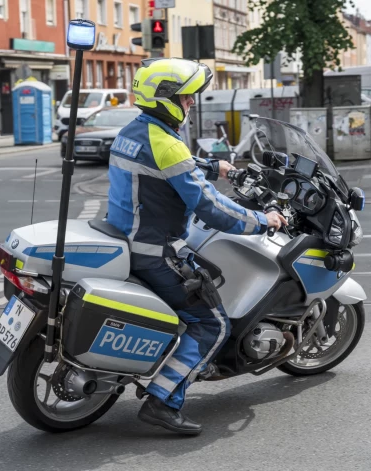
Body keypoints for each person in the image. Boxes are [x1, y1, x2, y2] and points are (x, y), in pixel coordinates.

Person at [106, 58, 286, 436]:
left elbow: (166, 165)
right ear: (167, 99)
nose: (190, 104)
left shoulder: (135, 130)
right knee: (211, 324)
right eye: (187, 98)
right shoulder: (167, 145)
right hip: (155, 250)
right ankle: (162, 401)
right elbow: (213, 210)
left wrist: (213, 166)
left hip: (125, 237)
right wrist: (262, 221)